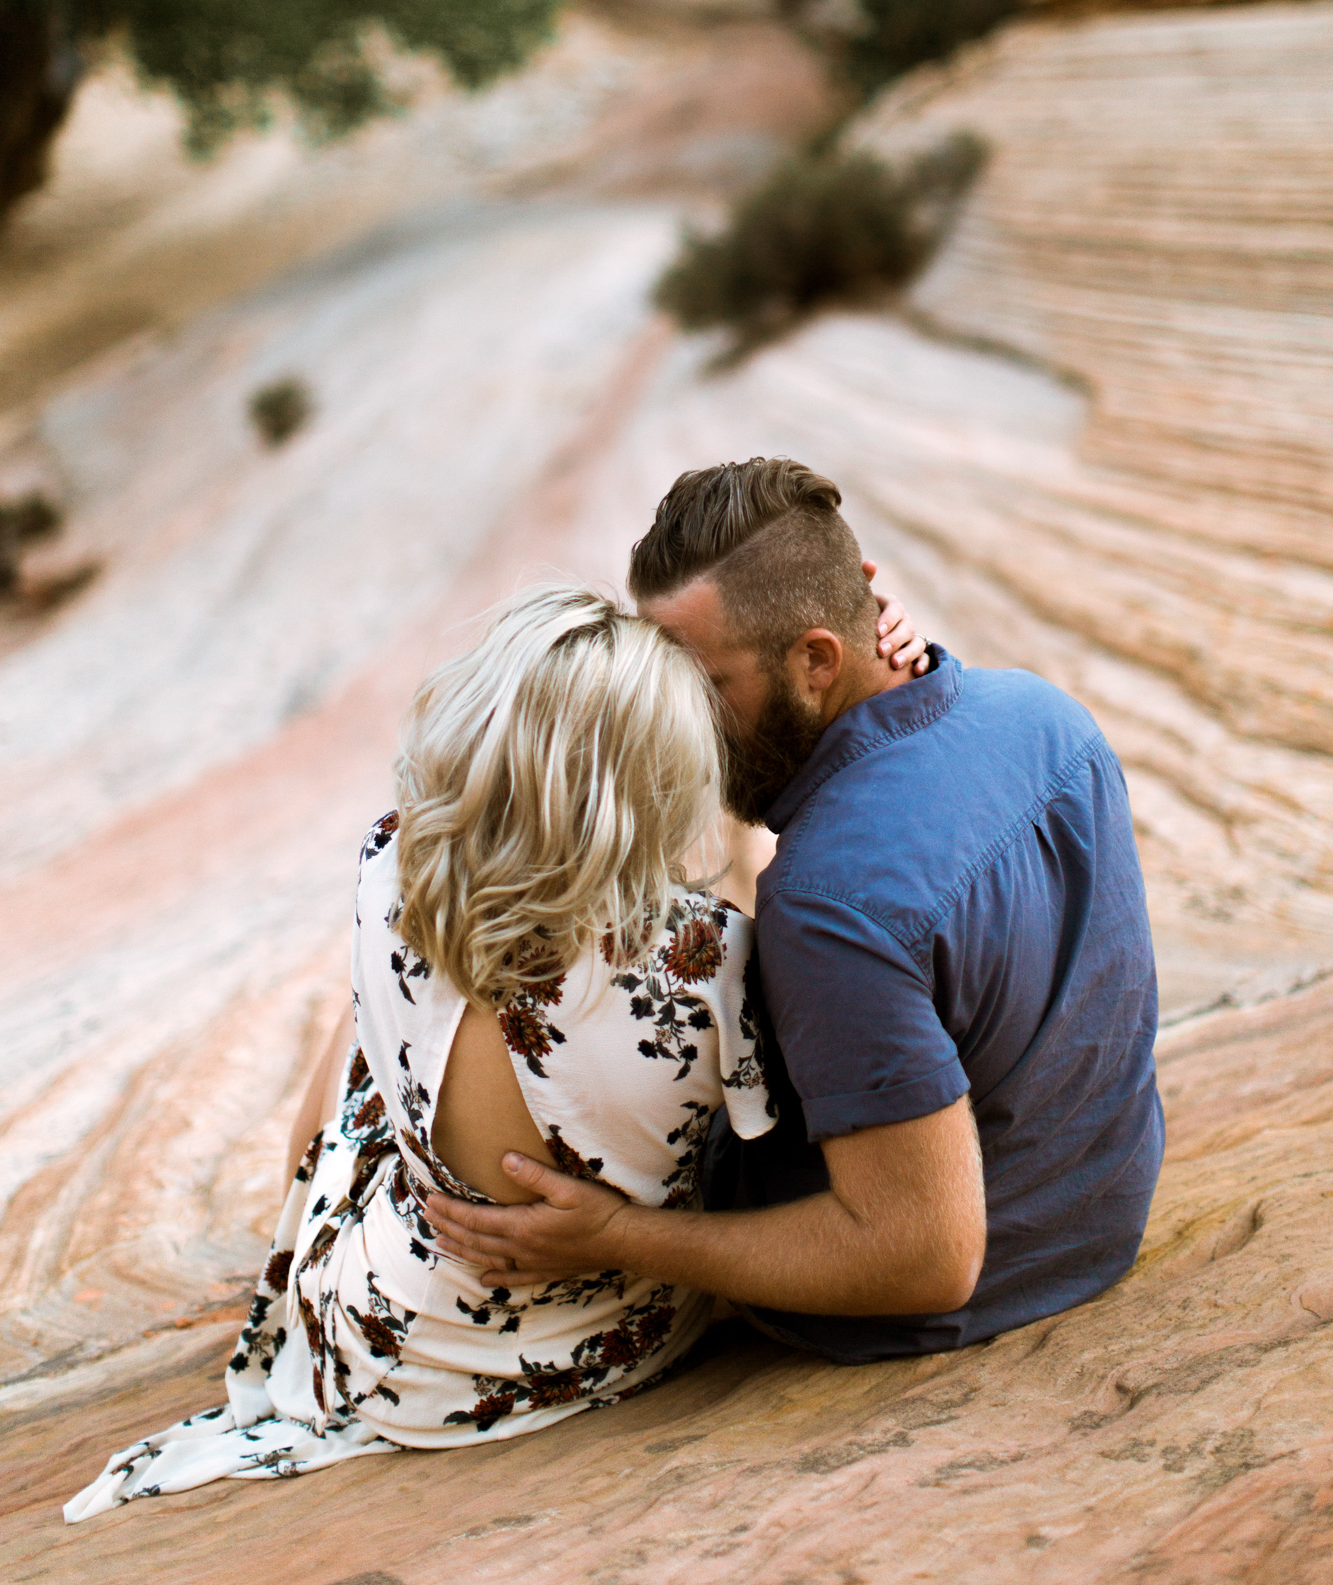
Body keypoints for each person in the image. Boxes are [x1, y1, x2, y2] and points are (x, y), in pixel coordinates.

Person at [426, 458, 1166, 1362]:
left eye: (701, 687)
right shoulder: (1044, 714)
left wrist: (615, 1240)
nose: (676, 720)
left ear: (815, 657)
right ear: (869, 599)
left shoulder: (823, 909)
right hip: (1097, 1218)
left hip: (939, 1291)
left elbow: (926, 1258)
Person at [65, 586, 777, 1521]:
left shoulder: (393, 858)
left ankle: (304, 1232)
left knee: (371, 1015)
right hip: (592, 1342)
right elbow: (759, 1127)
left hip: (378, 1333)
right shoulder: (708, 958)